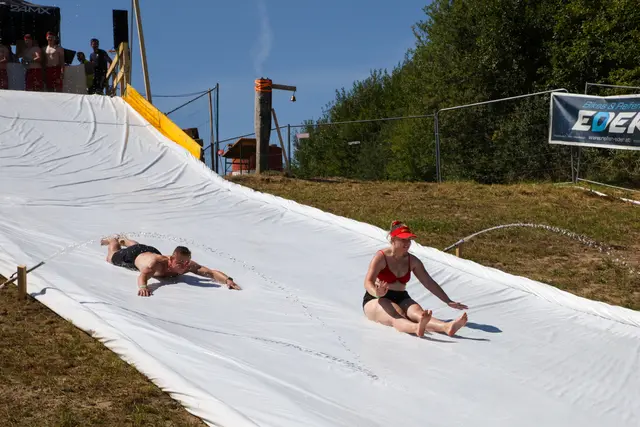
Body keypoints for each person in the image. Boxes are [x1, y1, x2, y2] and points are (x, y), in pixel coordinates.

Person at [363, 221, 468, 338]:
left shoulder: (413, 261)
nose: (407, 243)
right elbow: (368, 282)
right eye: (403, 240)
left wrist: (447, 301)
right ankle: (416, 327)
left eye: (409, 240)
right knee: (397, 314)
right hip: (377, 298)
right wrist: (377, 292)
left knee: (419, 313)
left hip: (401, 296)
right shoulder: (381, 257)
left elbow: (428, 282)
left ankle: (446, 326)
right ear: (393, 240)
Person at [101, 236, 241, 296]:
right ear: (172, 260)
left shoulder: (187, 265)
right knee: (111, 257)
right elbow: (143, 275)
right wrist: (143, 287)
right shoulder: (157, 264)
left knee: (139, 246)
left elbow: (211, 272)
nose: (184, 266)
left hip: (150, 250)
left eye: (186, 262)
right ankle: (114, 240)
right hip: (134, 256)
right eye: (180, 263)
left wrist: (228, 280)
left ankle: (126, 240)